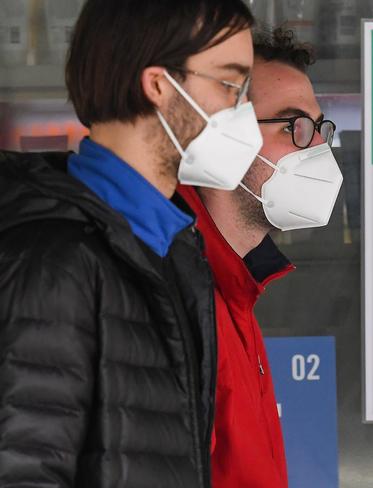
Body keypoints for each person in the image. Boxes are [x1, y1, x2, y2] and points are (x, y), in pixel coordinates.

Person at [0, 1, 258, 486]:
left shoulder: (171, 249)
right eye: (228, 84)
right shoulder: (54, 261)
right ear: (159, 85)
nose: (242, 110)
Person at [177, 27, 343, 488]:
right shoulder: (176, 296)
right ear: (218, 138)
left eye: (320, 127)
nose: (317, 149)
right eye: (294, 126)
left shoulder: (234, 289)